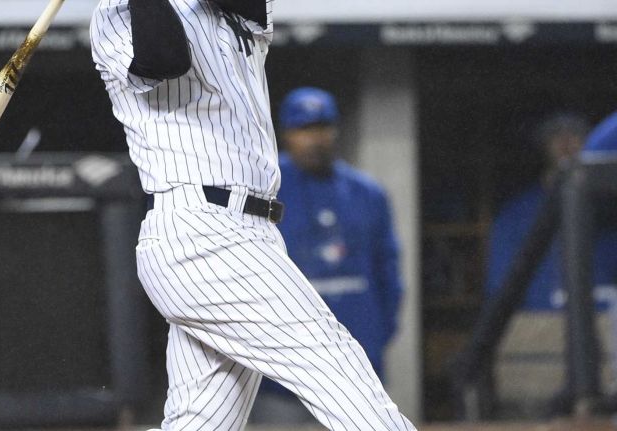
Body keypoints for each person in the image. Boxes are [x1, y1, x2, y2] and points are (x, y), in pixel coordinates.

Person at [90, 1, 416, 430]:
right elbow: (165, 60)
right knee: (329, 360)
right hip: (200, 231)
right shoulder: (117, 11)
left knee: (201, 421)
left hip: (253, 229)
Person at [249, 87, 404, 424]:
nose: (314, 139)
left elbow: (388, 273)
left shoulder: (366, 192)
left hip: (356, 370)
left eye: (321, 127)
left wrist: (376, 337)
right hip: (281, 372)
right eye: (303, 129)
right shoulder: (263, 190)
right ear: (286, 133)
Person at [485, 112, 617, 311]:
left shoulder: (608, 210)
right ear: (543, 143)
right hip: (536, 331)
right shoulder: (515, 216)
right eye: (556, 134)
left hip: (605, 329)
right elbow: (499, 292)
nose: (566, 141)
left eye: (575, 133)